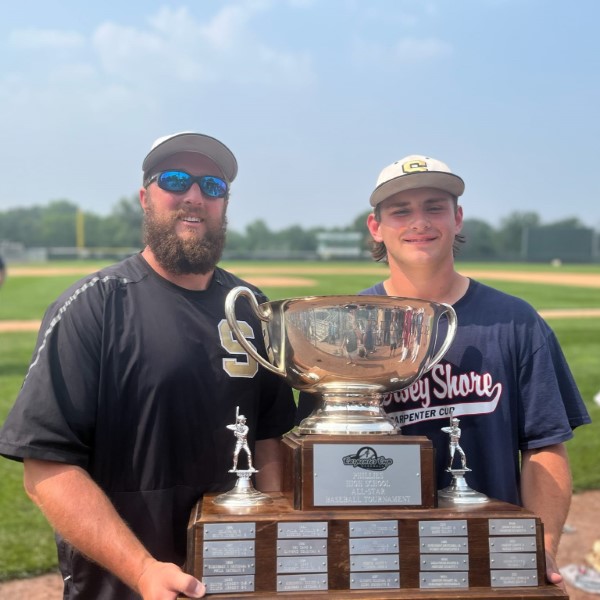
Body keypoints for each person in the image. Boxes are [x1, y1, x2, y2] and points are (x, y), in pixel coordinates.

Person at [0, 132, 296, 599]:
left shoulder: (252, 309)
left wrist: (268, 527)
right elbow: (45, 468)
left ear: (225, 202)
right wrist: (142, 571)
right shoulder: (93, 305)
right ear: (145, 197)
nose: (195, 196)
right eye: (175, 180)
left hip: (238, 581)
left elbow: (270, 437)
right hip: (124, 587)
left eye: (212, 186)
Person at [297, 154, 591, 589]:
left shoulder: (515, 322)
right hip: (373, 559)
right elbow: (314, 459)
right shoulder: (343, 325)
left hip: (492, 554)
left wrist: (542, 546)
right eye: (401, 210)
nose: (420, 222)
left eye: (434, 206)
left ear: (457, 218)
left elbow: (544, 448)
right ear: (376, 228)